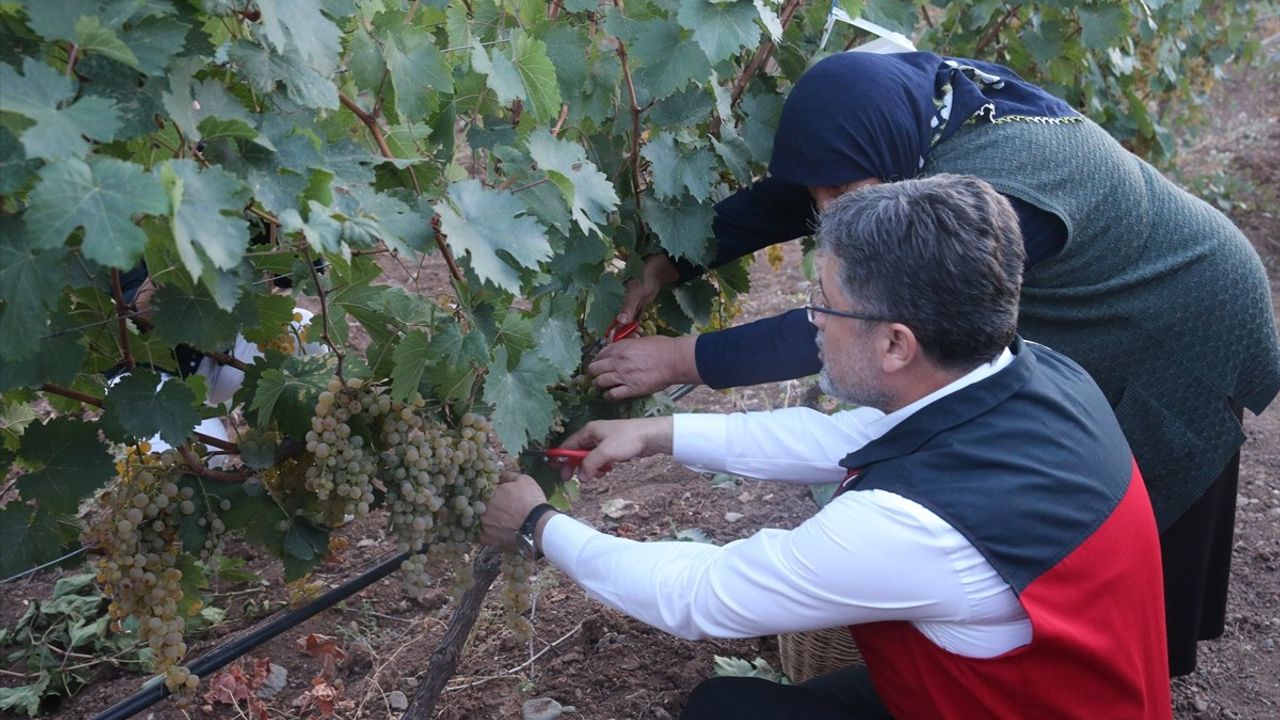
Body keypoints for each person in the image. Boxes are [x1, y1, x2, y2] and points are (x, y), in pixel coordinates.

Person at [587, 51, 1280, 676]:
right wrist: (666, 265)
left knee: (1120, 498)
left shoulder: (996, 200)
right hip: (1147, 275)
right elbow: (820, 175)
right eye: (821, 198)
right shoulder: (907, 114)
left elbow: (854, 327)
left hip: (1187, 313)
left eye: (841, 198)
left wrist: (686, 357)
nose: (824, 215)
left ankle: (1116, 667)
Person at [483, 175, 1171, 719]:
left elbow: (702, 595)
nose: (812, 322)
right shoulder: (1037, 375)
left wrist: (540, 527)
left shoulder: (915, 528)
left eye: (826, 305)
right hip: (1056, 703)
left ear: (897, 343)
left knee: (729, 712)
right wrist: (661, 434)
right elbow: (849, 438)